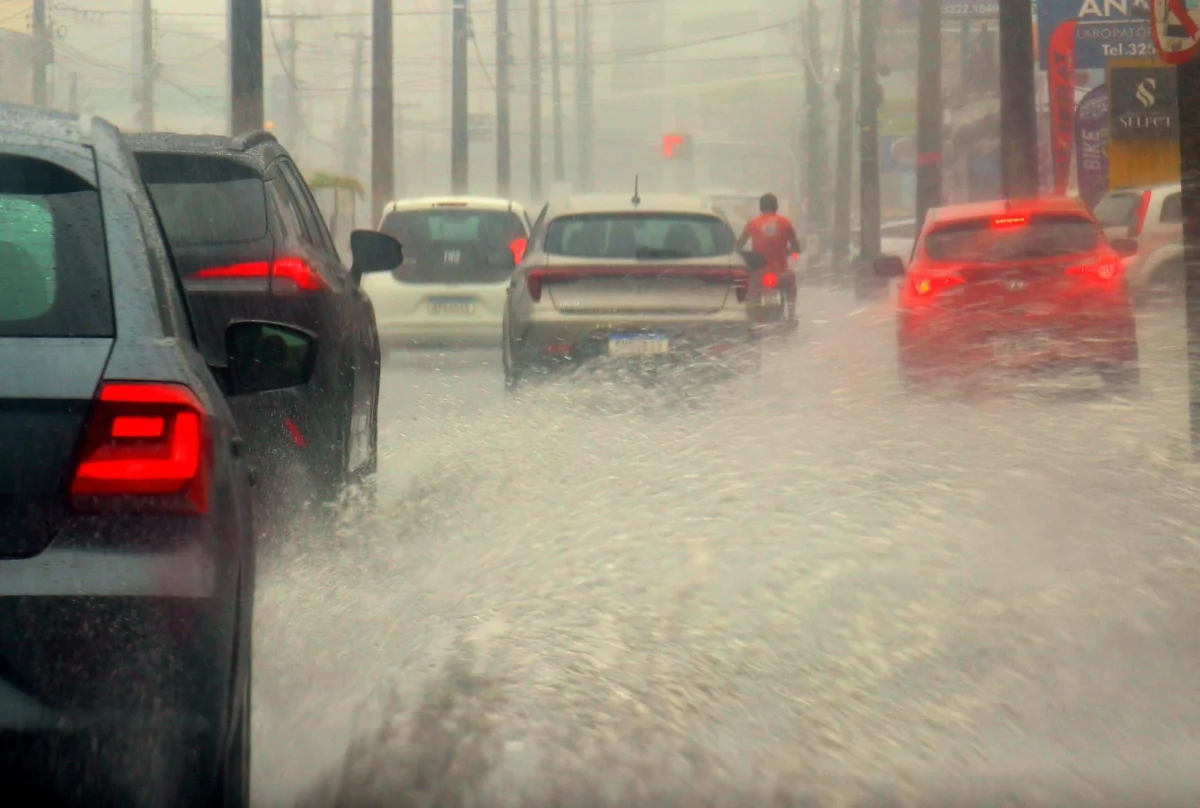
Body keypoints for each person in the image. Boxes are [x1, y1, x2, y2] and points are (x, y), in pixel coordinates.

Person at [735, 193, 802, 320]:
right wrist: (791, 252)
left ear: (761, 207)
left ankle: (751, 314)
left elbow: (739, 246)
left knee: (751, 290)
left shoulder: (752, 224)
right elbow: (795, 247)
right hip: (780, 272)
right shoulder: (785, 223)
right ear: (776, 207)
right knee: (791, 284)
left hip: (759, 272)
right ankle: (791, 313)